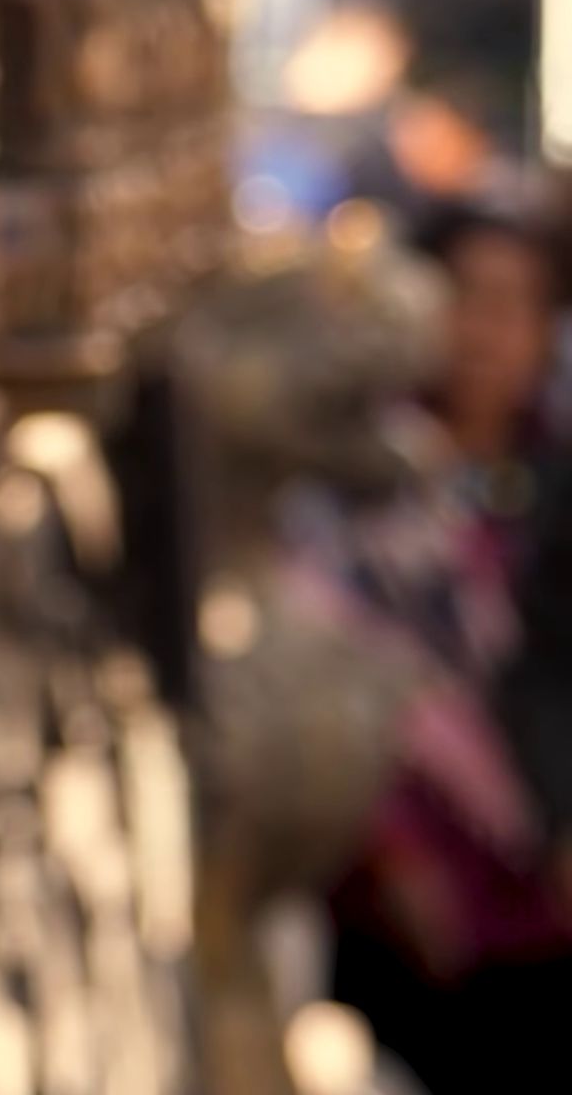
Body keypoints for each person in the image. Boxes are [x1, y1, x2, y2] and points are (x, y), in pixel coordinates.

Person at [303, 202, 572, 1091]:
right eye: (463, 299)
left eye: (515, 306)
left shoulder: (552, 496)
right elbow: (326, 684)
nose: (484, 332)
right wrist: (394, 849)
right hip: (392, 922)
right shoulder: (347, 499)